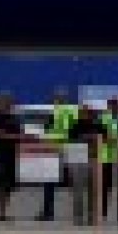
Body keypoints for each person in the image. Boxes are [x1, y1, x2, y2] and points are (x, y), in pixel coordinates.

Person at [38, 89, 76, 221]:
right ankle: (78, 211)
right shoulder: (73, 111)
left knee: (49, 182)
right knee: (75, 181)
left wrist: (46, 139)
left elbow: (51, 130)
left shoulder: (56, 112)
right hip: (73, 148)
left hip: (55, 148)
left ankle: (48, 212)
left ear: (56, 100)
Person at [65, 101, 102, 227]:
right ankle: (78, 217)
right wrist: (86, 138)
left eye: (89, 112)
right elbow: (70, 140)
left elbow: (106, 138)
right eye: (85, 112)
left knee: (94, 190)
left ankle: (92, 217)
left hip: (93, 159)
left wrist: (94, 138)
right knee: (78, 190)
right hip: (78, 159)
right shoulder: (75, 126)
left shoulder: (97, 125)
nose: (87, 115)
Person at [0, 92, 21, 222]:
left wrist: (16, 138)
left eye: (10, 103)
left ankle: (3, 213)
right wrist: (2, 134)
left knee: (8, 186)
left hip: (11, 154)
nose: (9, 105)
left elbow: (18, 134)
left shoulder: (14, 118)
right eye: (6, 102)